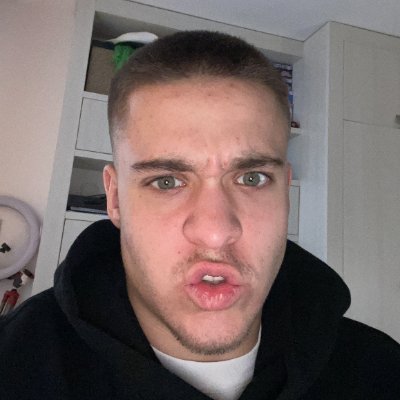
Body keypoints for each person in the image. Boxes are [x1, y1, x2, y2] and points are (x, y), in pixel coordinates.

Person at [0, 30, 399, 400]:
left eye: (252, 178)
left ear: (285, 191)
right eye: (167, 182)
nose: (215, 232)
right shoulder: (15, 368)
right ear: (115, 198)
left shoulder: (379, 370)